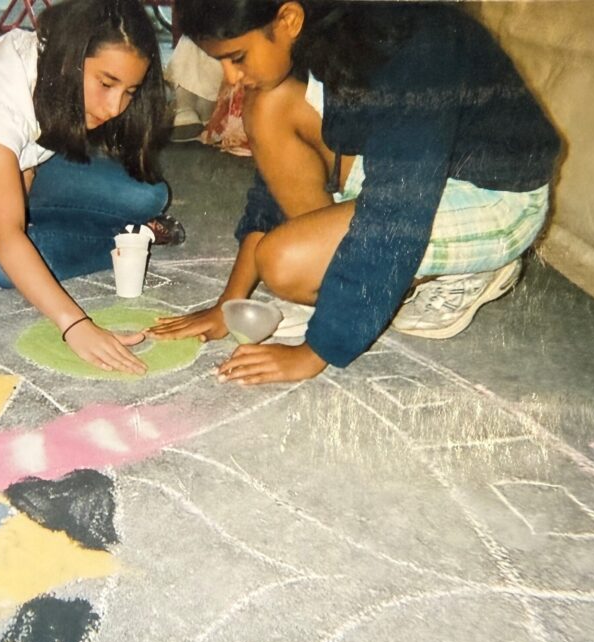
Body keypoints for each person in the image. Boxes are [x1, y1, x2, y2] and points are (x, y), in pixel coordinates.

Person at [151, 0, 560, 385]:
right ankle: (352, 274)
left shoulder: (417, 43)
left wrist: (316, 350)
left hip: (496, 197)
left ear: (289, 19)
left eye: (236, 58)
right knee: (266, 104)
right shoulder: (331, 25)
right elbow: (273, 185)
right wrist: (230, 304)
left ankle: (470, 267)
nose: (230, 77)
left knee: (283, 264)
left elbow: (395, 209)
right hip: (424, 168)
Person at [0, 0, 184, 375]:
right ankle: (130, 238)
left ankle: (120, 235)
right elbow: (5, 237)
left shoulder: (56, 69)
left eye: (129, 91)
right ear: (70, 58)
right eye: (107, 83)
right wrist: (75, 325)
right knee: (3, 262)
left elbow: (29, 157)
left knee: (147, 196)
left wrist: (19, 205)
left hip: (18, 165)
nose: (113, 108)